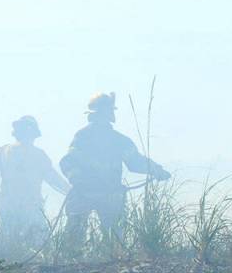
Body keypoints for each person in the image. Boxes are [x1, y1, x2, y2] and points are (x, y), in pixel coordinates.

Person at [60, 92, 170, 240]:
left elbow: (135, 161)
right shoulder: (87, 138)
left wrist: (157, 170)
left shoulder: (101, 138)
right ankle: (77, 259)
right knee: (84, 234)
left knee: (112, 237)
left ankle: (104, 258)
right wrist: (78, 180)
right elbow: (68, 162)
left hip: (105, 193)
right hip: (92, 193)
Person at [0, 116, 70, 244]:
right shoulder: (39, 155)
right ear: (34, 134)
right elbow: (53, 179)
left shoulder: (2, 152)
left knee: (10, 241)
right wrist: (70, 190)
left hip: (9, 204)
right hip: (31, 205)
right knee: (37, 240)